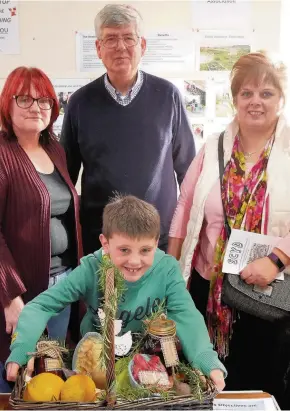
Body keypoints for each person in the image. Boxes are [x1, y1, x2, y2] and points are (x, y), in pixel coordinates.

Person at [6, 195, 226, 392]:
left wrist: (207, 359)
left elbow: (186, 315)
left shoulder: (167, 270)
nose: (134, 261)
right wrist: (21, 349)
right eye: (124, 250)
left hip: (144, 365)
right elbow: (41, 306)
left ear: (156, 243)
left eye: (145, 250)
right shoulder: (90, 269)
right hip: (94, 367)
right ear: (105, 243)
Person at [168, 52, 290, 407]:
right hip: (209, 290)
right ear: (234, 98)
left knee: (264, 385)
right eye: (246, 93)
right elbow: (184, 208)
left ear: (281, 98)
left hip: (270, 291)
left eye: (266, 93)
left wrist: (277, 260)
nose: (255, 101)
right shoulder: (213, 147)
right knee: (209, 384)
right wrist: (170, 271)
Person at [60, 4, 195, 255]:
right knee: (107, 296)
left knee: (157, 297)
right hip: (103, 243)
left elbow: (187, 172)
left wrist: (182, 236)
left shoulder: (168, 96)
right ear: (99, 49)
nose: (120, 47)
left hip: (156, 241)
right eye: (110, 38)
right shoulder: (79, 102)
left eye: (128, 38)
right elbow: (66, 176)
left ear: (142, 45)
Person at [0, 67, 82, 392]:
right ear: (8, 103)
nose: (36, 107)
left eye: (44, 100)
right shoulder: (3, 153)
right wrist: (9, 296)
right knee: (13, 379)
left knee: (48, 379)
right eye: (25, 98)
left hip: (61, 287)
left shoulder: (54, 149)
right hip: (22, 292)